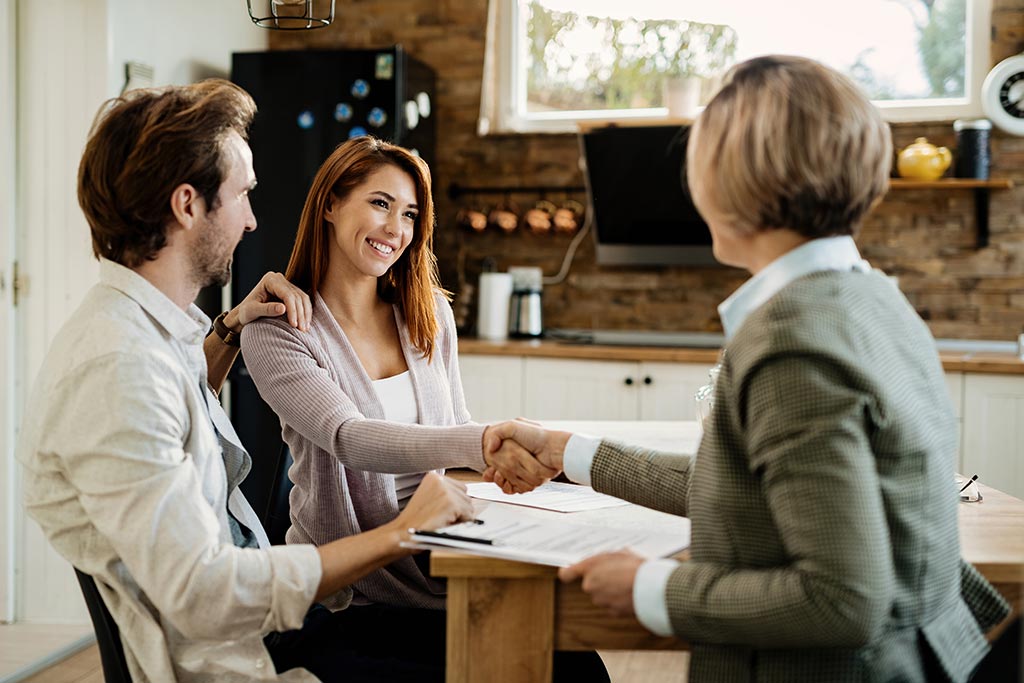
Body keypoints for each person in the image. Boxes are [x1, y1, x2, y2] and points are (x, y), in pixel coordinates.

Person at [486, 56, 1011, 682]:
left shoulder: (793, 342)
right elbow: (747, 489)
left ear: (731, 181)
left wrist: (654, 588)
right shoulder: (873, 298)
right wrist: (569, 453)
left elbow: (842, 600)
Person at [17, 79, 477, 683]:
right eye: (242, 195)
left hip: (269, 629)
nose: (254, 221)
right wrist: (399, 535)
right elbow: (204, 592)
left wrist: (231, 326)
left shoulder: (149, 335)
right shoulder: (119, 368)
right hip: (245, 659)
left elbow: (185, 399)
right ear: (188, 205)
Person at [241, 136, 609, 681]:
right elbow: (350, 437)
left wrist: (515, 458)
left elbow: (454, 433)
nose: (395, 229)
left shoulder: (427, 311)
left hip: (443, 554)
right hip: (351, 594)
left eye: (410, 214)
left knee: (578, 666)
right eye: (380, 203)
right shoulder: (279, 331)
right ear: (330, 205)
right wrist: (485, 439)